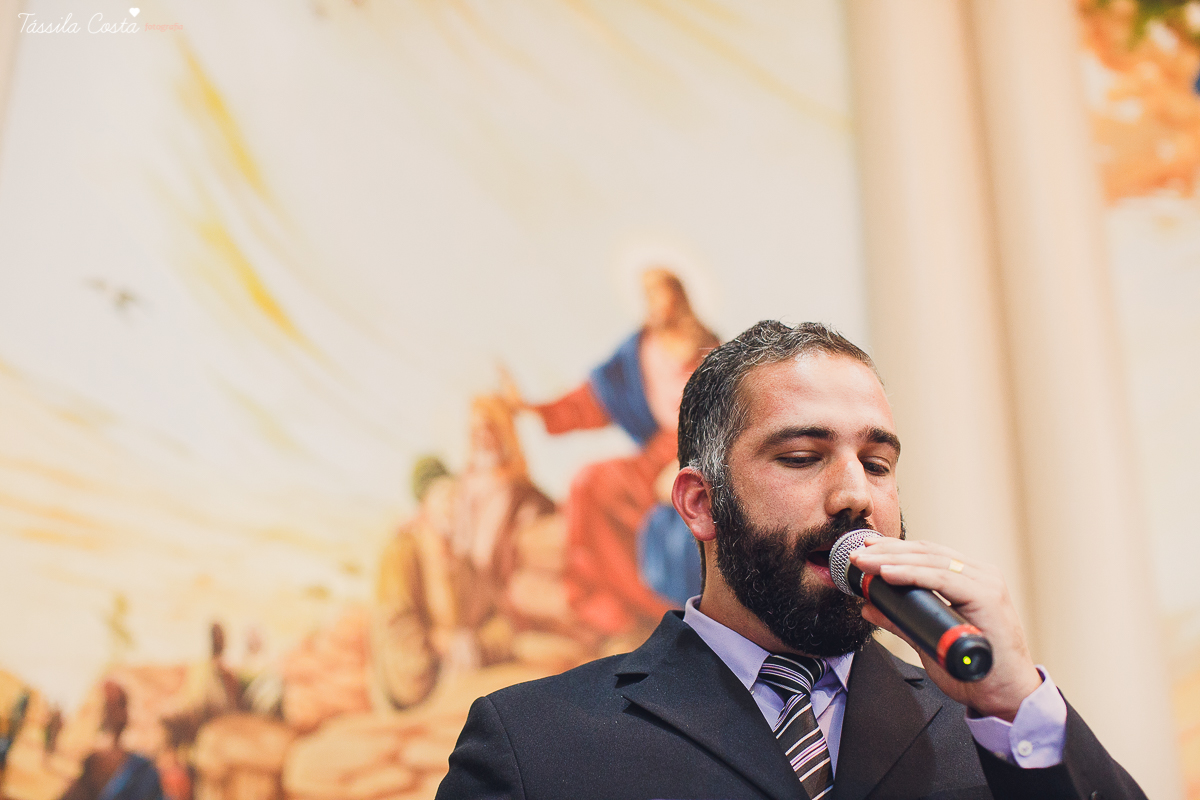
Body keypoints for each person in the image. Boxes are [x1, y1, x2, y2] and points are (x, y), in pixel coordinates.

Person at [437, 321, 1147, 800]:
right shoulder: (534, 744)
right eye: (803, 457)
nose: (853, 496)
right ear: (699, 504)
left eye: (877, 463)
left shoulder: (992, 731)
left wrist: (1017, 701)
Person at [507, 268, 719, 634]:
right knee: (590, 483)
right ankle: (604, 600)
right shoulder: (638, 351)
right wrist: (533, 409)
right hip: (655, 457)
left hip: (698, 452)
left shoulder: (709, 349)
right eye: (647, 295)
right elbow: (594, 398)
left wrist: (691, 462)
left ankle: (665, 608)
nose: (653, 303)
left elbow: (732, 415)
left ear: (677, 295)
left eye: (659, 293)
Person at [60, 682, 163, 800]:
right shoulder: (88, 761)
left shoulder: (142, 768)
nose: (121, 714)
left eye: (122, 705)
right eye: (113, 707)